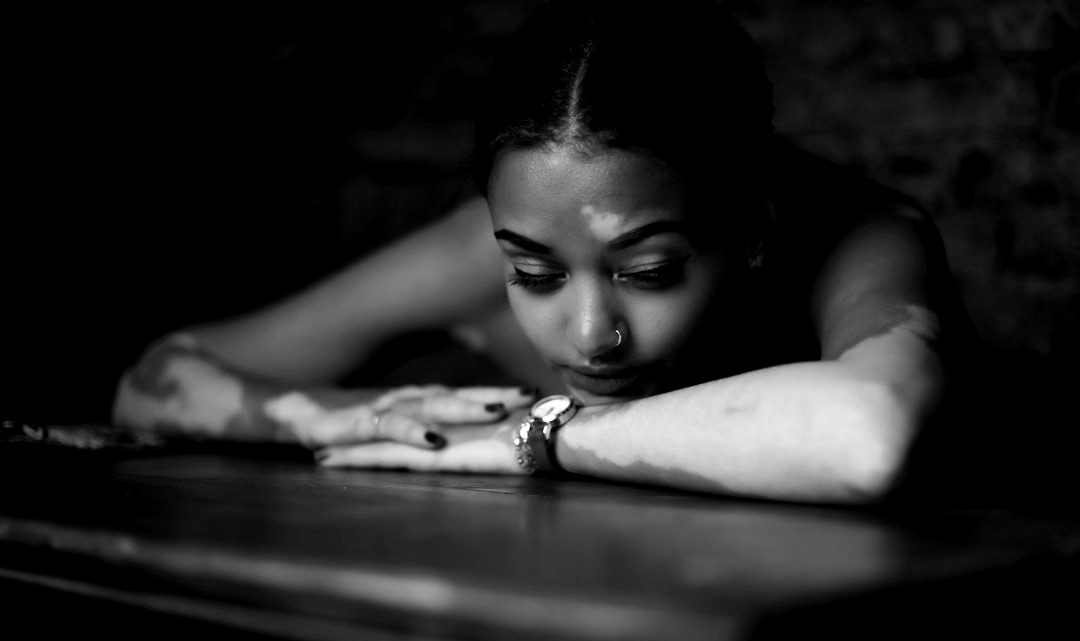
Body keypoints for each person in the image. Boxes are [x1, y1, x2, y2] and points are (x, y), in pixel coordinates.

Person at [112, 0, 976, 504]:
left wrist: (540, 434)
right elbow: (156, 380)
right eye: (532, 273)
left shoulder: (860, 235)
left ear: (750, 230)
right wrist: (331, 416)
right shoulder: (470, 248)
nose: (591, 335)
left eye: (649, 272)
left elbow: (868, 435)